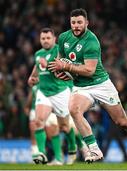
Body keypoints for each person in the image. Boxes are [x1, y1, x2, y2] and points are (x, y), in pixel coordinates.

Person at [48, 8, 127, 163]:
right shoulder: (64, 38)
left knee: (122, 122)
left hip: (101, 85)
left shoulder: (91, 41)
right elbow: (60, 62)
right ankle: (94, 150)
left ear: (87, 23)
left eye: (79, 22)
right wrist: (58, 71)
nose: (76, 26)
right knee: (74, 109)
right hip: (81, 87)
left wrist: (67, 68)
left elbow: (89, 70)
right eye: (73, 22)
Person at [28, 28, 77, 165]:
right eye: (43, 38)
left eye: (48, 38)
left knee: (65, 127)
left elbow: (63, 69)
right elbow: (37, 67)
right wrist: (32, 77)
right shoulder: (38, 53)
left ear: (54, 39)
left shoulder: (59, 50)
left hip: (60, 93)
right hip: (44, 93)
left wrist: (48, 65)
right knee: (38, 122)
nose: (45, 41)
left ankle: (72, 147)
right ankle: (41, 153)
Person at [24, 84, 64, 165]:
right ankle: (37, 156)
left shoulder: (54, 85)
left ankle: (59, 156)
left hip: (50, 111)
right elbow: (27, 104)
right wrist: (29, 114)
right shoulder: (35, 88)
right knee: (34, 134)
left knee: (52, 133)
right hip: (35, 112)